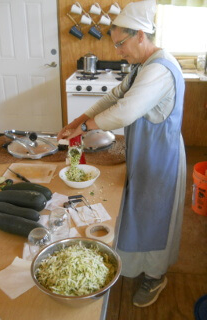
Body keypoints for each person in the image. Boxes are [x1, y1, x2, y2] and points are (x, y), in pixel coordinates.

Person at [57, 0, 186, 307]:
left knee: (155, 216)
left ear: (140, 35)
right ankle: (134, 264)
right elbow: (115, 96)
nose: (118, 52)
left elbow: (125, 111)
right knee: (137, 212)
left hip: (161, 160)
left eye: (121, 44)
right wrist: (77, 122)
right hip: (144, 154)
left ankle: (155, 276)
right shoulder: (142, 66)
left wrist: (86, 125)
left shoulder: (161, 70)